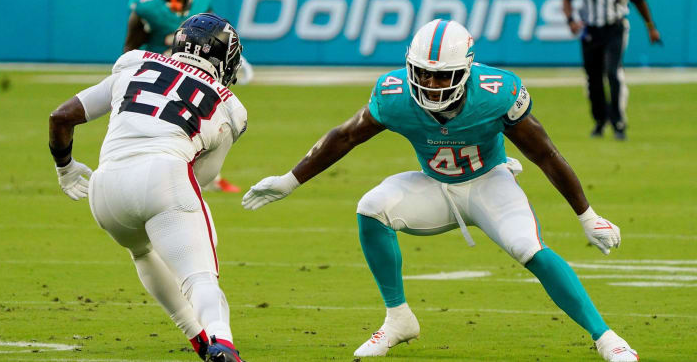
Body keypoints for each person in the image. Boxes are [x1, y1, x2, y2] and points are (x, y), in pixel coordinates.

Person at [242, 19, 638, 362]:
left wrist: (587, 216)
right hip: (435, 186)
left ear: (466, 71)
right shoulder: (395, 96)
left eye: (442, 76)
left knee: (527, 247)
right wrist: (289, 180)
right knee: (371, 207)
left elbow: (546, 154)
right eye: (422, 73)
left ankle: (607, 339)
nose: (430, 84)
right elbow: (345, 137)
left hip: (489, 183)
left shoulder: (496, 93)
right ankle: (398, 319)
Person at [49, 13, 248, 362]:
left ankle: (198, 339)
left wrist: (65, 169)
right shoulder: (230, 106)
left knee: (142, 253)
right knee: (199, 274)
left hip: (104, 187)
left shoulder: (134, 62)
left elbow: (60, 117)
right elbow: (201, 178)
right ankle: (223, 341)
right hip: (163, 175)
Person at [124, 0, 253, 192]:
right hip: (158, 73)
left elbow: (216, 28)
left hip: (195, 73)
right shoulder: (145, 4)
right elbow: (130, 48)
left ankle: (208, 177)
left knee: (203, 124)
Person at [562, 0, 661, 140]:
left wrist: (650, 26)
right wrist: (571, 21)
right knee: (593, 78)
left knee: (613, 73)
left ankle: (618, 123)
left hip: (615, 28)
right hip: (590, 29)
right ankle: (600, 121)